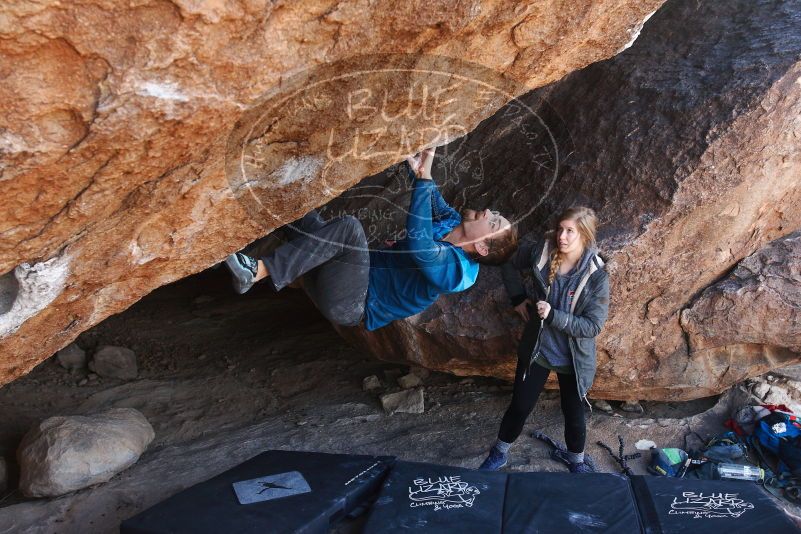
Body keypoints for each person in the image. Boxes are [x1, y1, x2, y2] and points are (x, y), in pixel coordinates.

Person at [223, 146, 518, 331]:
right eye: (495, 214)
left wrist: (424, 177)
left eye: (493, 221)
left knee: (349, 228)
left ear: (481, 246)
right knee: (304, 216)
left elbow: (420, 247)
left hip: (352, 302)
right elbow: (432, 197)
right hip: (332, 277)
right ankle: (238, 200)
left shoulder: (454, 271)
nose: (488, 211)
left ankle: (258, 271)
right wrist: (413, 159)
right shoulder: (452, 223)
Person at [479, 206, 610, 473]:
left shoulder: (596, 275)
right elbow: (507, 259)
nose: (562, 236)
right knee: (520, 405)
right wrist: (517, 298)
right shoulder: (543, 251)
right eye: (560, 229)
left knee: (574, 415)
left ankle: (576, 462)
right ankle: (500, 452)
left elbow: (593, 326)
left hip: (574, 358)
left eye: (570, 231)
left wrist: (554, 316)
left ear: (584, 235)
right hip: (539, 348)